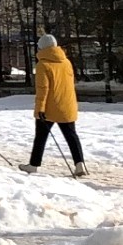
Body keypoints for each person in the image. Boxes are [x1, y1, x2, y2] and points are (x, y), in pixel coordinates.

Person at [19, 34, 87, 176]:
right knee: (71, 136)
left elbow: (43, 89)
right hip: (67, 105)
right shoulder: (66, 62)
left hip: (49, 108)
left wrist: (40, 109)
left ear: (42, 47)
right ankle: (80, 164)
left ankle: (33, 165)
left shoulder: (42, 64)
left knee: (40, 137)